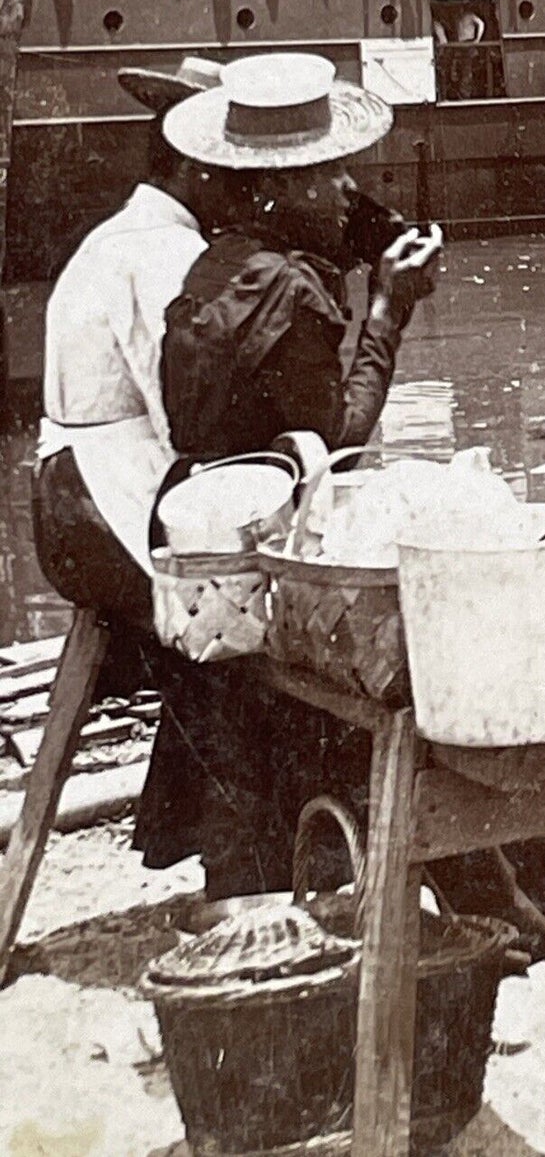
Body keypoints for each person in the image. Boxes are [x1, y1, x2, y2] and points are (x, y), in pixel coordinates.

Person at [136, 53, 442, 895]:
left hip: (203, 539)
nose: (347, 189)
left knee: (243, 766)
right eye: (329, 174)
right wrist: (387, 311)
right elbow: (335, 435)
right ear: (277, 189)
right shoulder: (293, 294)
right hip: (272, 549)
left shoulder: (214, 266)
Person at [34, 57, 228, 698]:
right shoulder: (166, 252)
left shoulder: (115, 236)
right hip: (99, 509)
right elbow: (184, 421)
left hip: (62, 503)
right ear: (197, 168)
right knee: (253, 608)